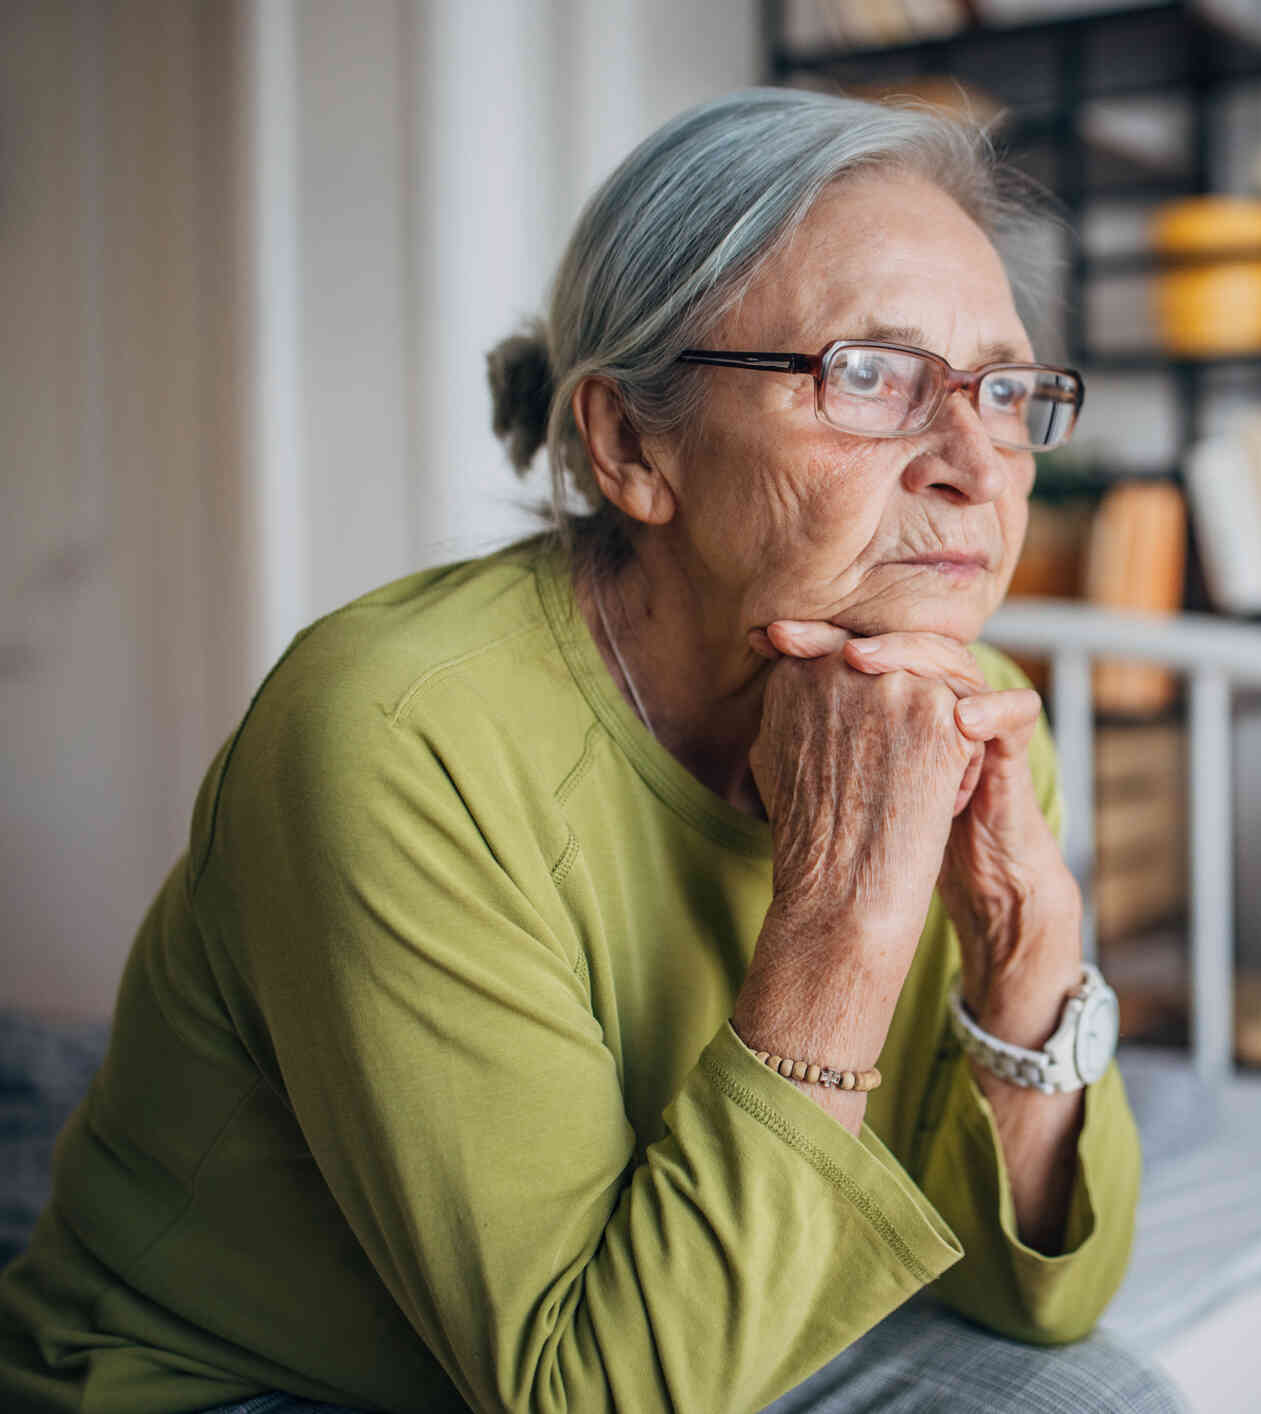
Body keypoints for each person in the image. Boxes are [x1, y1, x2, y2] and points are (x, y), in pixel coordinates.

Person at [0, 88, 1185, 1414]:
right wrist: (847, 916)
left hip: (691, 1303)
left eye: (1008, 389)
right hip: (248, 1384)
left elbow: (1044, 1290)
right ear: (630, 443)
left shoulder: (961, 701)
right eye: (870, 375)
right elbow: (598, 1397)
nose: (978, 458)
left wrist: (1029, 930)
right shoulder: (396, 736)